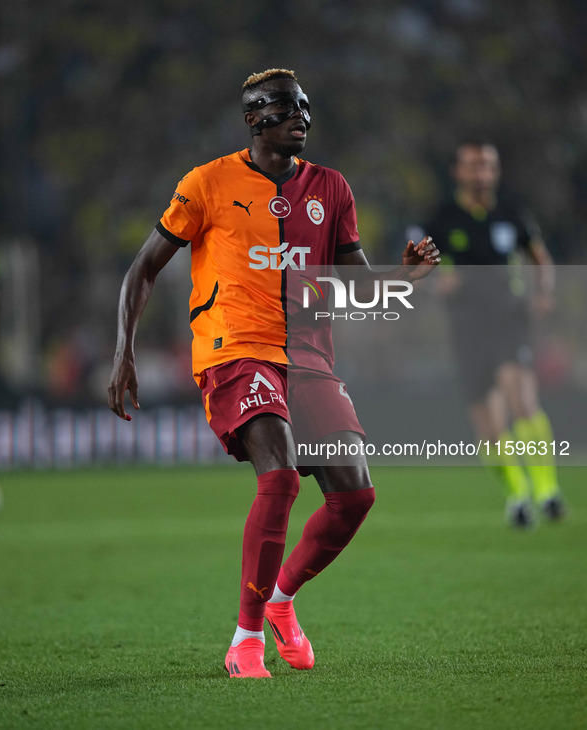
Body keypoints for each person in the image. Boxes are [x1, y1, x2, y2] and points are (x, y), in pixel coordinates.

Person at [108, 68, 440, 678]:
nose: (303, 118)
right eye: (288, 108)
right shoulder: (207, 183)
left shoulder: (332, 189)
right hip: (235, 349)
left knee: (355, 496)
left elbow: (354, 287)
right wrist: (123, 350)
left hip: (309, 358)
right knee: (280, 477)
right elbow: (143, 268)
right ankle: (245, 639)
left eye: (307, 108)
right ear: (255, 117)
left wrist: (404, 278)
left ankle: (282, 601)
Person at [425, 140, 565, 528]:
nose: (481, 172)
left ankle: (548, 491)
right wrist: (438, 284)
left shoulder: (511, 212)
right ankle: (518, 496)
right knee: (487, 423)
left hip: (509, 319)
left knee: (521, 400)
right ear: (458, 171)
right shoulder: (442, 217)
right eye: (473, 165)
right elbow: (419, 268)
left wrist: (544, 293)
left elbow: (539, 257)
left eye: (488, 165)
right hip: (467, 328)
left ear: (496, 170)